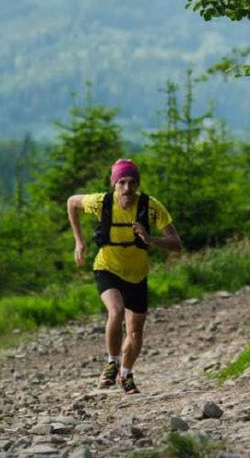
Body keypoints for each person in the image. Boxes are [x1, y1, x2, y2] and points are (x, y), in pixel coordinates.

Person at [67, 158, 182, 394]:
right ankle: (112, 362)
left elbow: (176, 244)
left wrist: (150, 240)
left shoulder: (151, 206)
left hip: (137, 274)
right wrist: (79, 241)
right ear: (114, 184)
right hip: (106, 267)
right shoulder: (102, 202)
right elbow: (72, 202)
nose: (127, 188)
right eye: (122, 182)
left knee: (135, 332)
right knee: (116, 311)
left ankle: (126, 375)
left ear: (138, 183)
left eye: (132, 182)